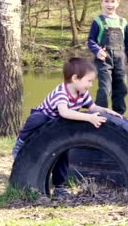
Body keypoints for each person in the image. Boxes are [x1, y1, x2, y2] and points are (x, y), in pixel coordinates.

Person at [11, 57, 122, 196]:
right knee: (37, 118)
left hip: (60, 128)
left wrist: (108, 111)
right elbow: (64, 112)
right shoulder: (61, 93)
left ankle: (59, 187)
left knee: (63, 154)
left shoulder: (82, 93)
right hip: (46, 119)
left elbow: (92, 107)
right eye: (89, 81)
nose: (91, 85)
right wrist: (89, 118)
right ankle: (19, 144)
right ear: (75, 78)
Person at [87, 0, 128, 116]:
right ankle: (100, 114)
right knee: (105, 88)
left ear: (118, 2)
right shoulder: (98, 21)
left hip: (120, 59)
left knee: (121, 88)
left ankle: (119, 115)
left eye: (113, 1)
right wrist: (97, 51)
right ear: (101, 2)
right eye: (106, 1)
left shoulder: (123, 22)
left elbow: (127, 42)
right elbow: (90, 41)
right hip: (104, 60)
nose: (110, 4)